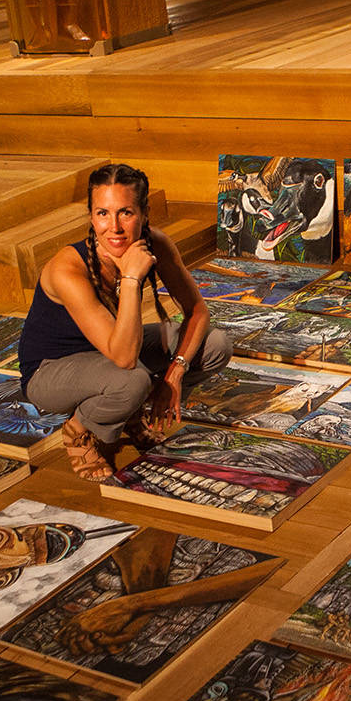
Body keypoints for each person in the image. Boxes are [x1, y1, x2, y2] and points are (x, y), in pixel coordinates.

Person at [17, 163, 232, 480]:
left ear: (145, 213)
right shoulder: (67, 268)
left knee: (215, 345)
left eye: (125, 213)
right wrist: (131, 278)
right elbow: (124, 357)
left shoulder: (155, 243)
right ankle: (80, 430)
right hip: (50, 370)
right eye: (102, 213)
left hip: (109, 351)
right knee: (132, 380)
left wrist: (174, 373)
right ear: (91, 215)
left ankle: (129, 412)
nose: (113, 227)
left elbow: (197, 310)